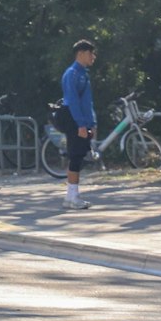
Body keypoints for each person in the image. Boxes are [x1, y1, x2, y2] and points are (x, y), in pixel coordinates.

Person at [61, 39, 98, 209]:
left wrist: (92, 122)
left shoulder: (84, 73)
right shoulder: (72, 74)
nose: (93, 57)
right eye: (91, 53)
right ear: (81, 53)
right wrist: (81, 125)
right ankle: (72, 197)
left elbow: (87, 102)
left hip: (83, 120)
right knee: (75, 157)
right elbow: (73, 101)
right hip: (75, 120)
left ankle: (72, 196)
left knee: (78, 157)